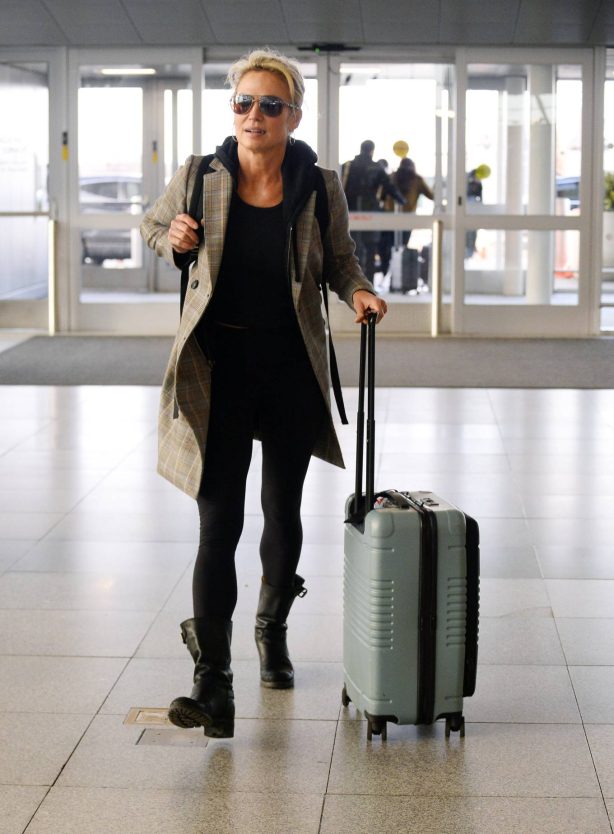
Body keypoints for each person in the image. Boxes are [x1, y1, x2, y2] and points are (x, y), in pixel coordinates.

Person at [140, 48, 387, 740]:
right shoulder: (199, 176)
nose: (254, 115)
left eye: (270, 105)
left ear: (294, 115)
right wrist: (173, 237)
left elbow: (340, 262)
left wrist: (360, 291)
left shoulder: (318, 185)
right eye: (244, 103)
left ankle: (270, 627)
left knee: (282, 511)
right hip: (217, 370)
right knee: (218, 525)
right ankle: (211, 682)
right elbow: (152, 227)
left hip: (287, 369)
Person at [341, 140, 404, 282]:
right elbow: (389, 187)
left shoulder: (347, 166)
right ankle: (368, 283)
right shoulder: (377, 167)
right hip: (371, 212)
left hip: (350, 211)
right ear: (372, 151)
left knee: (353, 247)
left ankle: (353, 282)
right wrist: (402, 201)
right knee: (370, 247)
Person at [384, 157, 434, 247]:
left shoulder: (391, 177)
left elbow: (382, 196)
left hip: (390, 216)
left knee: (390, 245)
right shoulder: (417, 179)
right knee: (403, 244)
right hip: (408, 217)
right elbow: (431, 196)